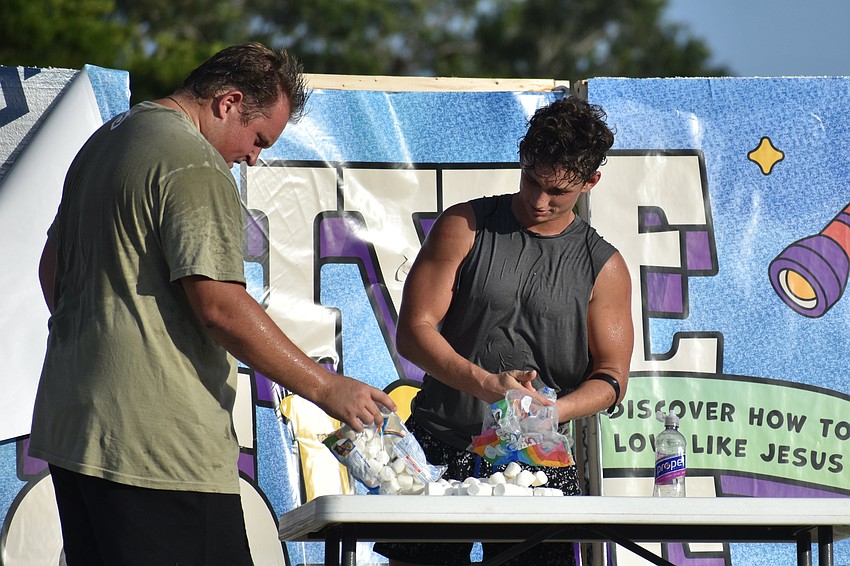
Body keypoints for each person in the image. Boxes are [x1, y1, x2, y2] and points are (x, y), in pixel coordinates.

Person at [29, 43, 395, 566]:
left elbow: (51, 271)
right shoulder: (192, 160)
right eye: (258, 138)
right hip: (156, 447)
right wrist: (325, 385)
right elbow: (219, 305)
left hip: (75, 432)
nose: (253, 156)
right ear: (227, 102)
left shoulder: (108, 140)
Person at [374, 96, 633, 566]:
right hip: (438, 442)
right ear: (521, 159)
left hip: (539, 459)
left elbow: (613, 377)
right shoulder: (463, 225)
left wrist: (550, 411)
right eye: (532, 179)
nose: (539, 200)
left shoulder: (605, 266)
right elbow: (413, 332)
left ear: (591, 182)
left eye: (558, 191)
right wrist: (489, 386)